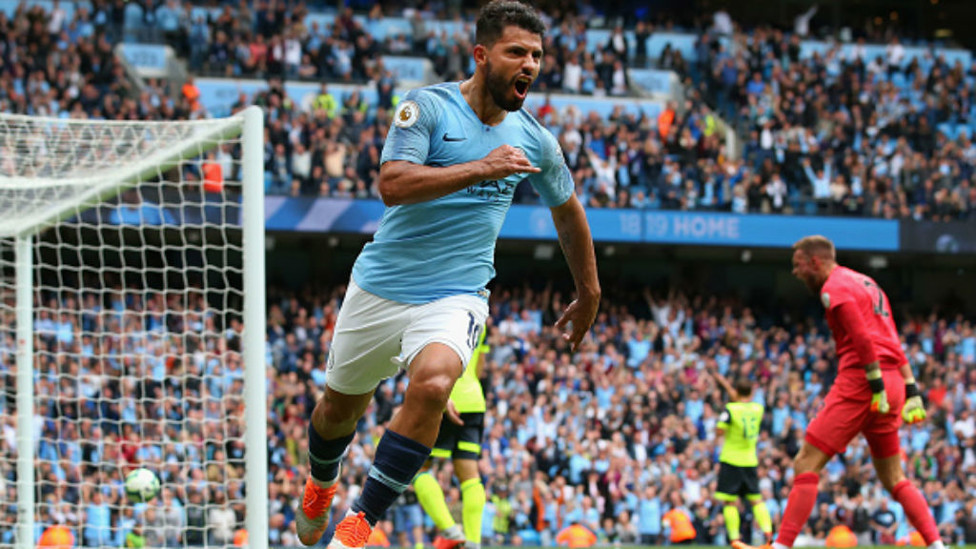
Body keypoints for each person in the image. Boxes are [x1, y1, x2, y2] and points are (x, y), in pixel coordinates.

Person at [295, 2, 601, 548]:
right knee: (339, 410)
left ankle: (358, 524)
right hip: (380, 286)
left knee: (436, 383)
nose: (529, 64)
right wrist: (483, 168)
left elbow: (568, 207)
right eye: (516, 52)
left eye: (536, 55)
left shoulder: (535, 139)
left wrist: (590, 290)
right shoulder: (427, 108)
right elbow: (392, 183)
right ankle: (321, 485)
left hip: (456, 293)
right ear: (482, 56)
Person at [732, 235, 938, 549]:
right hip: (894, 380)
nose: (795, 272)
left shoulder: (834, 288)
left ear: (815, 262)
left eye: (798, 265)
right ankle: (938, 545)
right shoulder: (868, 283)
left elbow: (863, 340)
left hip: (864, 383)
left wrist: (875, 386)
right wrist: (911, 388)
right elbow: (893, 340)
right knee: (895, 478)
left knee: (805, 463)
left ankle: (781, 546)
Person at [412, 324, 491, 549]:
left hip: (445, 395)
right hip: (474, 400)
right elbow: (479, 368)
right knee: (470, 475)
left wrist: (445, 393)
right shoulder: (481, 319)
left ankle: (451, 531)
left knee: (420, 469)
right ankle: (473, 542)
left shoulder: (443, 313)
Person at [705, 367, 773, 545]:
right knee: (756, 499)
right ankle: (768, 533)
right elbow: (741, 400)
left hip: (731, 459)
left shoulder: (730, 410)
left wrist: (718, 436)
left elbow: (720, 429)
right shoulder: (758, 409)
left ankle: (735, 538)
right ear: (751, 391)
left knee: (729, 502)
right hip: (750, 459)